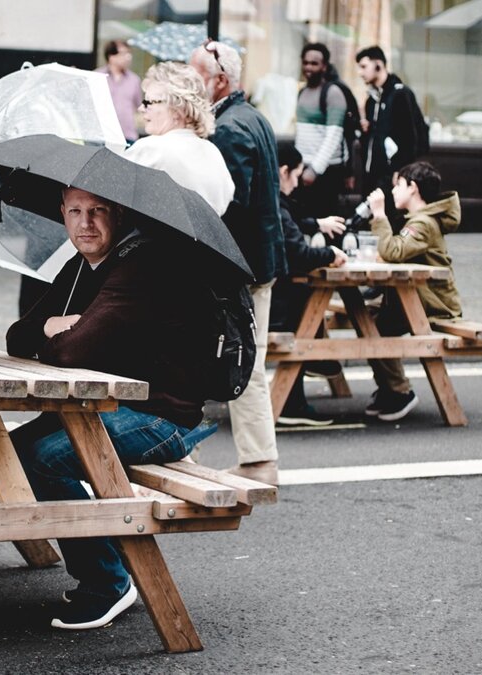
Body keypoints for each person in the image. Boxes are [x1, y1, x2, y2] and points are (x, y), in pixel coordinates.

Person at [7, 187, 211, 631]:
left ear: (118, 214)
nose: (86, 223)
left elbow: (69, 352)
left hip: (161, 416)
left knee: (44, 458)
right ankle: (110, 556)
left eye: (98, 211)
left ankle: (108, 582)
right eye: (76, 211)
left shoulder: (140, 266)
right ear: (61, 213)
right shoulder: (78, 268)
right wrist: (50, 325)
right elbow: (17, 336)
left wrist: (64, 336)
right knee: (10, 450)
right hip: (103, 409)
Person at [190, 40, 286, 486]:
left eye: (197, 78)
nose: (192, 87)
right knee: (249, 360)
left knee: (241, 362)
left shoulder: (229, 129)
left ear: (221, 81)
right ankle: (258, 459)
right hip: (258, 262)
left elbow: (229, 204)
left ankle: (258, 460)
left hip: (240, 267)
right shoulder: (253, 119)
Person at [363, 161, 462, 421]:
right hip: (416, 298)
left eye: (398, 185)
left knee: (375, 325)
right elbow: (395, 251)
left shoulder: (423, 223)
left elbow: (393, 251)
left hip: (432, 302)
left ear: (413, 188)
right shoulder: (420, 221)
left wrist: (380, 216)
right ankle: (390, 388)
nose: (393, 190)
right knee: (366, 318)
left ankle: (399, 392)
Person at [271, 145, 348, 426]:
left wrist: (316, 224)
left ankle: (314, 369)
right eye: (297, 175)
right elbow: (299, 254)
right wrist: (331, 254)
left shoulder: (269, 200)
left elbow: (290, 225)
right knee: (305, 304)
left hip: (274, 299)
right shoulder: (276, 205)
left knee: (308, 301)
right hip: (277, 310)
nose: (298, 182)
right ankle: (314, 365)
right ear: (284, 172)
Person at [121, 61, 233, 214]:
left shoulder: (152, 148)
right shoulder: (213, 152)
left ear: (176, 109)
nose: (141, 108)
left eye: (149, 102)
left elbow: (110, 188)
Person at [356, 46, 428, 222]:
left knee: (389, 221)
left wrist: (400, 170)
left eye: (364, 66)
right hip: (371, 173)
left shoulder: (399, 94)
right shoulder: (371, 100)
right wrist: (366, 130)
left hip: (391, 174)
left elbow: (410, 137)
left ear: (378, 65)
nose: (360, 72)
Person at [295, 43, 352, 219]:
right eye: (305, 63)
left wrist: (314, 170)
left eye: (314, 63)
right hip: (303, 168)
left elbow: (333, 136)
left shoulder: (333, 93)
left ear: (324, 66)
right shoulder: (302, 92)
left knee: (327, 225)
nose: (308, 67)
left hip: (326, 172)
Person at [96, 40, 141, 145]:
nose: (128, 57)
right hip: (102, 135)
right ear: (111, 56)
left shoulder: (134, 80)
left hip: (127, 134)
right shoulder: (97, 76)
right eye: (123, 53)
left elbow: (139, 106)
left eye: (129, 53)